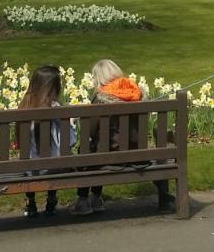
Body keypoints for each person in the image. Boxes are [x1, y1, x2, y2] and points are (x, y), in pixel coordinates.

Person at [70, 59, 175, 216]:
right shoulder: (137, 94)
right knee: (96, 147)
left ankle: (84, 200)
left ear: (99, 78)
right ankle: (96, 198)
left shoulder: (100, 98)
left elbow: (90, 131)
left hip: (110, 157)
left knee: (86, 149)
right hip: (138, 155)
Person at [18, 65, 76, 218]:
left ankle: (31, 202)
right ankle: (51, 199)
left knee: (29, 160)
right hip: (53, 168)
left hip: (30, 168)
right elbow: (70, 141)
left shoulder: (24, 107)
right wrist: (71, 125)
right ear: (55, 88)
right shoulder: (56, 110)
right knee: (56, 158)